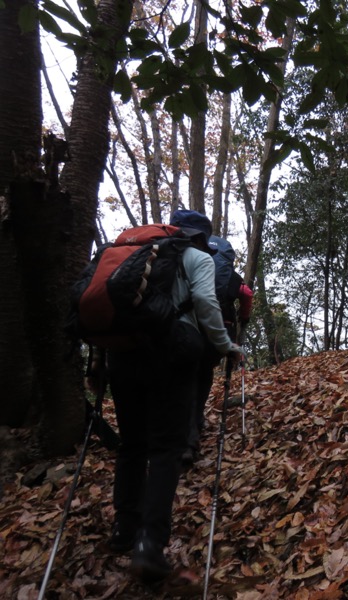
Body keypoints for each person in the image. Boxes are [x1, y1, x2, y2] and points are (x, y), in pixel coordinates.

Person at [104, 212, 243, 582]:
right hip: (171, 354)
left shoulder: (138, 253)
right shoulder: (196, 257)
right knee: (166, 448)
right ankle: (150, 543)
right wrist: (225, 345)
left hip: (122, 354)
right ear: (204, 236)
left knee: (132, 444)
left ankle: (122, 528)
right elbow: (205, 302)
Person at [169, 211, 254, 466]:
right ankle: (193, 425)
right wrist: (244, 318)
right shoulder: (230, 276)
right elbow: (246, 294)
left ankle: (183, 432)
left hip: (173, 330)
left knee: (182, 379)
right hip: (217, 330)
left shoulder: (163, 260)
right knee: (202, 374)